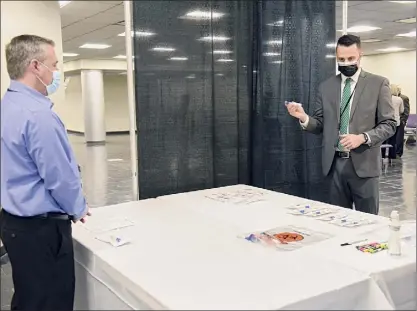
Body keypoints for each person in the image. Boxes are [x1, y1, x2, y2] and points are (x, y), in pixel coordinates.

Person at [0, 35, 90, 311]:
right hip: (41, 231)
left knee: (29, 298)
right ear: (36, 66)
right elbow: (59, 176)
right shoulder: (38, 116)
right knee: (51, 302)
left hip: (13, 223)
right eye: (55, 64)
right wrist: (78, 208)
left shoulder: (7, 106)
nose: (57, 71)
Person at [285, 34, 396, 215]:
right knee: (337, 220)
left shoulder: (378, 83)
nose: (346, 63)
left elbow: (390, 123)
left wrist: (363, 137)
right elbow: (320, 124)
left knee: (368, 222)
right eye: (341, 59)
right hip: (334, 166)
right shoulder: (326, 87)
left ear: (360, 55)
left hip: (364, 167)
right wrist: (304, 117)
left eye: (351, 58)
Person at [382, 84, 404, 160]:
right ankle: (392, 156)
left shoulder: (384, 98)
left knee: (384, 139)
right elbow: (402, 111)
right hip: (395, 122)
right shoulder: (399, 99)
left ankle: (382, 155)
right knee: (393, 140)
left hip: (385, 121)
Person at [396, 86, 410, 157]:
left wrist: (403, 120)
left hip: (401, 121)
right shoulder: (391, 97)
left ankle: (398, 153)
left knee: (399, 138)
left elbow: (406, 111)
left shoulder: (404, 98)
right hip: (394, 121)